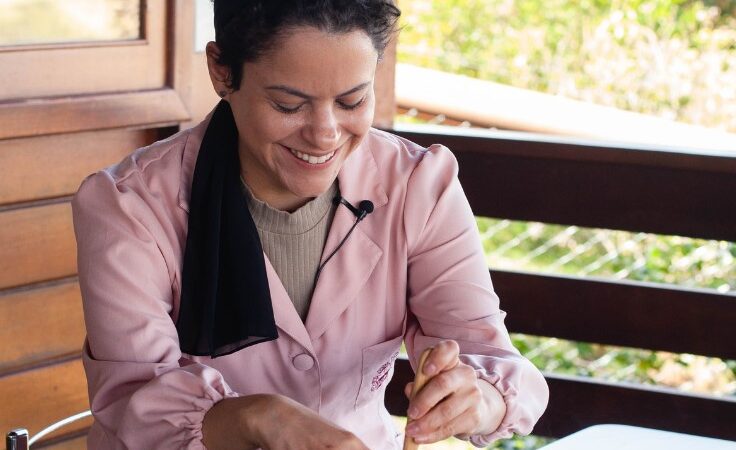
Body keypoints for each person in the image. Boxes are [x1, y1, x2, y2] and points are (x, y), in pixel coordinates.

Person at [72, 1, 549, 449]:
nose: (324, 134)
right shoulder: (128, 206)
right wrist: (256, 417)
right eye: (288, 105)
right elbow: (134, 403)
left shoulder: (417, 186)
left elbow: (499, 365)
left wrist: (478, 399)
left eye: (351, 101)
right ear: (222, 71)